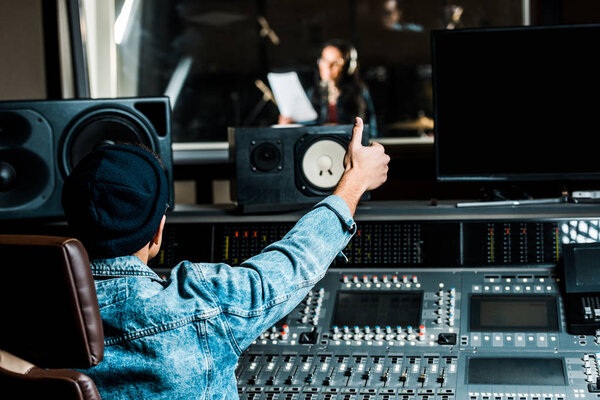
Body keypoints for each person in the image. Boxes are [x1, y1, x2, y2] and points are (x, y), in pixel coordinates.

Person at [61, 117, 389, 399]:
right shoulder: (198, 302)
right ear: (158, 230)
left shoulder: (31, 309)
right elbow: (295, 261)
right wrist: (354, 182)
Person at [279, 39, 378, 137]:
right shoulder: (312, 93)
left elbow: (371, 131)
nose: (328, 67)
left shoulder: (359, 93)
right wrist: (289, 125)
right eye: (324, 60)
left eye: (335, 63)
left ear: (347, 67)